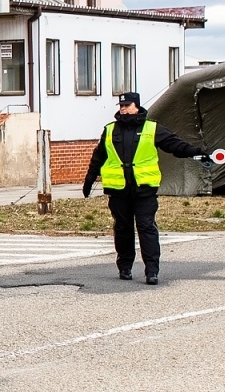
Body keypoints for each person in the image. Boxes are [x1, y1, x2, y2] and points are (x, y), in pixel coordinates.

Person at [82, 90, 208, 284]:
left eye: (127, 106)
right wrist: (89, 180)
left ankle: (152, 271)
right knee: (122, 228)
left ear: (137, 106)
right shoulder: (110, 130)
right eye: (121, 106)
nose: (123, 109)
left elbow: (175, 145)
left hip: (144, 189)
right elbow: (98, 156)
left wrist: (197, 153)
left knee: (146, 227)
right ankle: (125, 267)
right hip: (119, 189)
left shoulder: (152, 128)